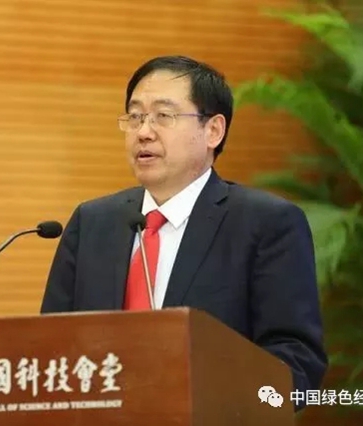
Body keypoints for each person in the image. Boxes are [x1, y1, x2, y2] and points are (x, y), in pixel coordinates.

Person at [39, 55, 328, 410]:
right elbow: (47, 349)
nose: (144, 132)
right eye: (135, 117)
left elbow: (297, 362)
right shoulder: (92, 222)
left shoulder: (266, 224)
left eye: (164, 116)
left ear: (213, 131)